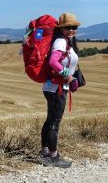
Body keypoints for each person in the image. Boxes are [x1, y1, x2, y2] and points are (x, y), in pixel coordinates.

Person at [39, 12, 81, 168]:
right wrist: (69, 77)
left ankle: (45, 153)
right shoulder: (61, 42)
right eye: (68, 27)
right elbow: (53, 62)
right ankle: (53, 157)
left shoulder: (65, 41)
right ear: (61, 28)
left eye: (74, 27)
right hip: (56, 88)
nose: (72, 30)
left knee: (50, 120)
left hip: (52, 87)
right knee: (55, 122)